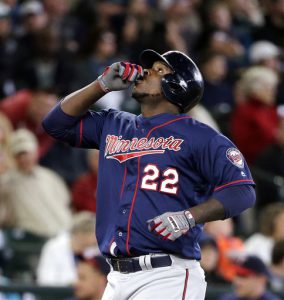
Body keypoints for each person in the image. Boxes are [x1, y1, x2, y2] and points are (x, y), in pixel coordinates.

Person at [42, 49, 255, 300]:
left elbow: (242, 191)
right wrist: (100, 86)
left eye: (159, 70)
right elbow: (54, 124)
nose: (145, 72)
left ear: (177, 85)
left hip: (167, 274)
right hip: (116, 276)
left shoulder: (202, 137)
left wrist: (189, 217)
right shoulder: (114, 124)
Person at [37, 211, 99, 286]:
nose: (97, 238)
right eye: (94, 234)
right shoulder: (53, 247)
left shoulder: (94, 250)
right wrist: (72, 283)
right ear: (81, 233)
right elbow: (45, 280)